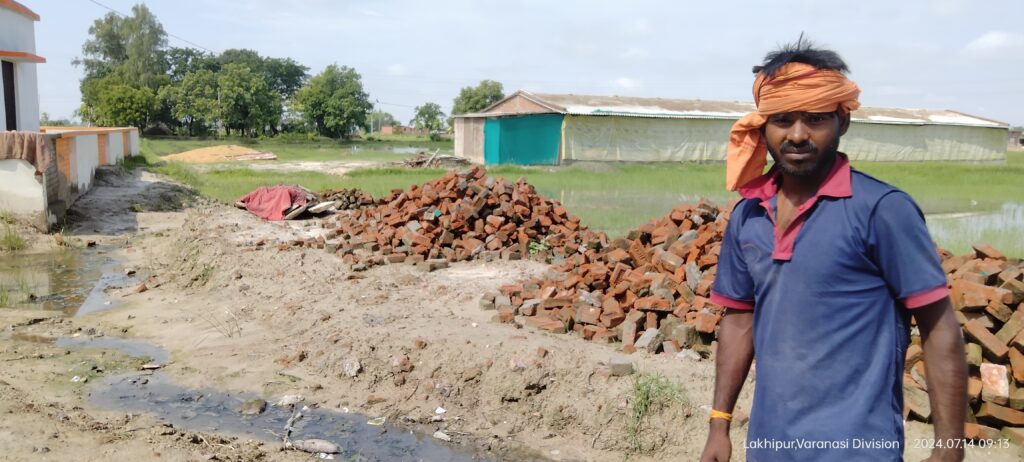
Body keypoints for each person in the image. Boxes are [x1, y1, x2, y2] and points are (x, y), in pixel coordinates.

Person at [700, 39, 967, 462]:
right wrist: (720, 423)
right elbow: (739, 319)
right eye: (783, 119)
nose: (798, 134)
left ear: (843, 121)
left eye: (816, 118)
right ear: (763, 125)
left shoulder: (881, 209)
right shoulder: (748, 214)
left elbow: (939, 327)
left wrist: (949, 449)